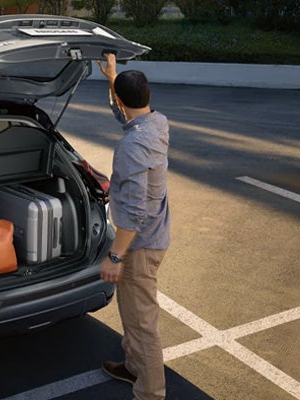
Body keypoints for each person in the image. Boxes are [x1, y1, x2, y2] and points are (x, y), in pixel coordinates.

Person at [96, 53, 171, 400]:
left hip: (140, 246)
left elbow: (135, 210)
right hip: (152, 237)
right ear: (148, 96)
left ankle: (151, 393)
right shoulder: (156, 123)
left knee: (143, 325)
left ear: (125, 101)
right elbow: (125, 115)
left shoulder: (132, 146)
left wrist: (115, 255)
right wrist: (113, 78)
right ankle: (133, 367)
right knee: (131, 312)